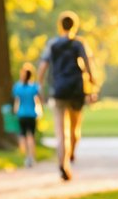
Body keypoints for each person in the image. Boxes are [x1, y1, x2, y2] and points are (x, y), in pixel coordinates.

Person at [37, 10, 95, 181]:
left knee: (61, 133)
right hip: (76, 91)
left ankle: (63, 163)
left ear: (60, 26)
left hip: (58, 91)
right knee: (74, 130)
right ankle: (69, 156)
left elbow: (42, 67)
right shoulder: (79, 44)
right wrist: (92, 85)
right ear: (75, 26)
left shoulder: (52, 44)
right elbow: (89, 66)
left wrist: (39, 85)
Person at [12, 63, 42, 167]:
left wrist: (15, 112)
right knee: (31, 137)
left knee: (23, 137)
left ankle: (26, 157)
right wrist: (39, 112)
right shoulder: (34, 87)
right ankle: (32, 157)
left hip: (22, 115)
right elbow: (37, 101)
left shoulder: (18, 87)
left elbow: (17, 102)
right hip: (31, 114)